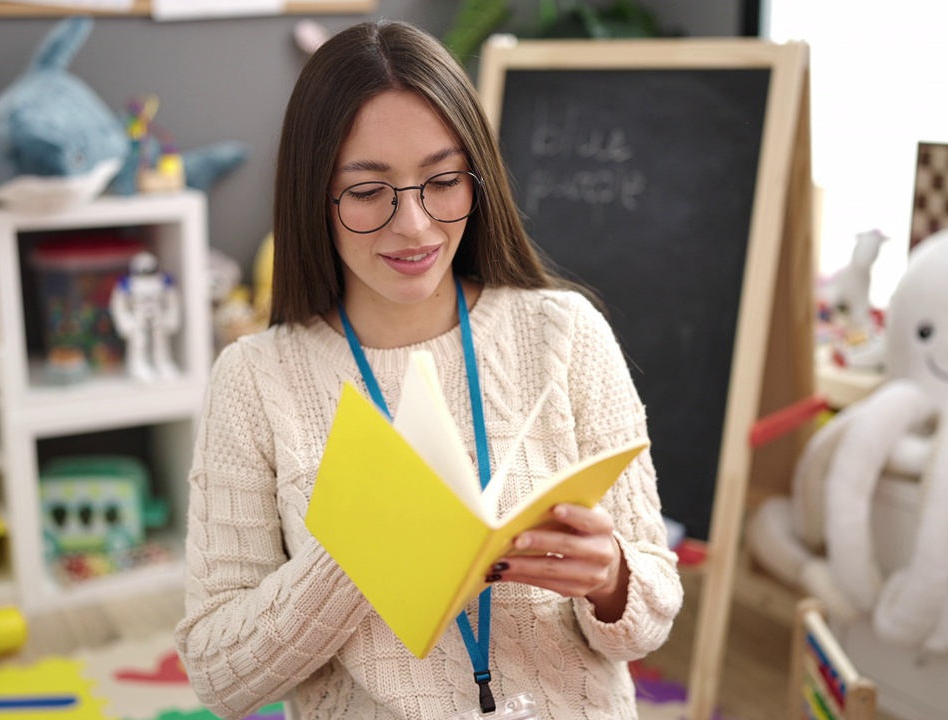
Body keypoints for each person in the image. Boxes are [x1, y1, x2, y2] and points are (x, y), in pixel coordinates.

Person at [175, 19, 682, 719]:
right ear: (311, 197)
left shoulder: (566, 333)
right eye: (366, 192)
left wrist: (613, 579)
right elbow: (219, 676)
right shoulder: (255, 380)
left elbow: (652, 614)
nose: (414, 225)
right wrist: (364, 547)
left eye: (443, 181)